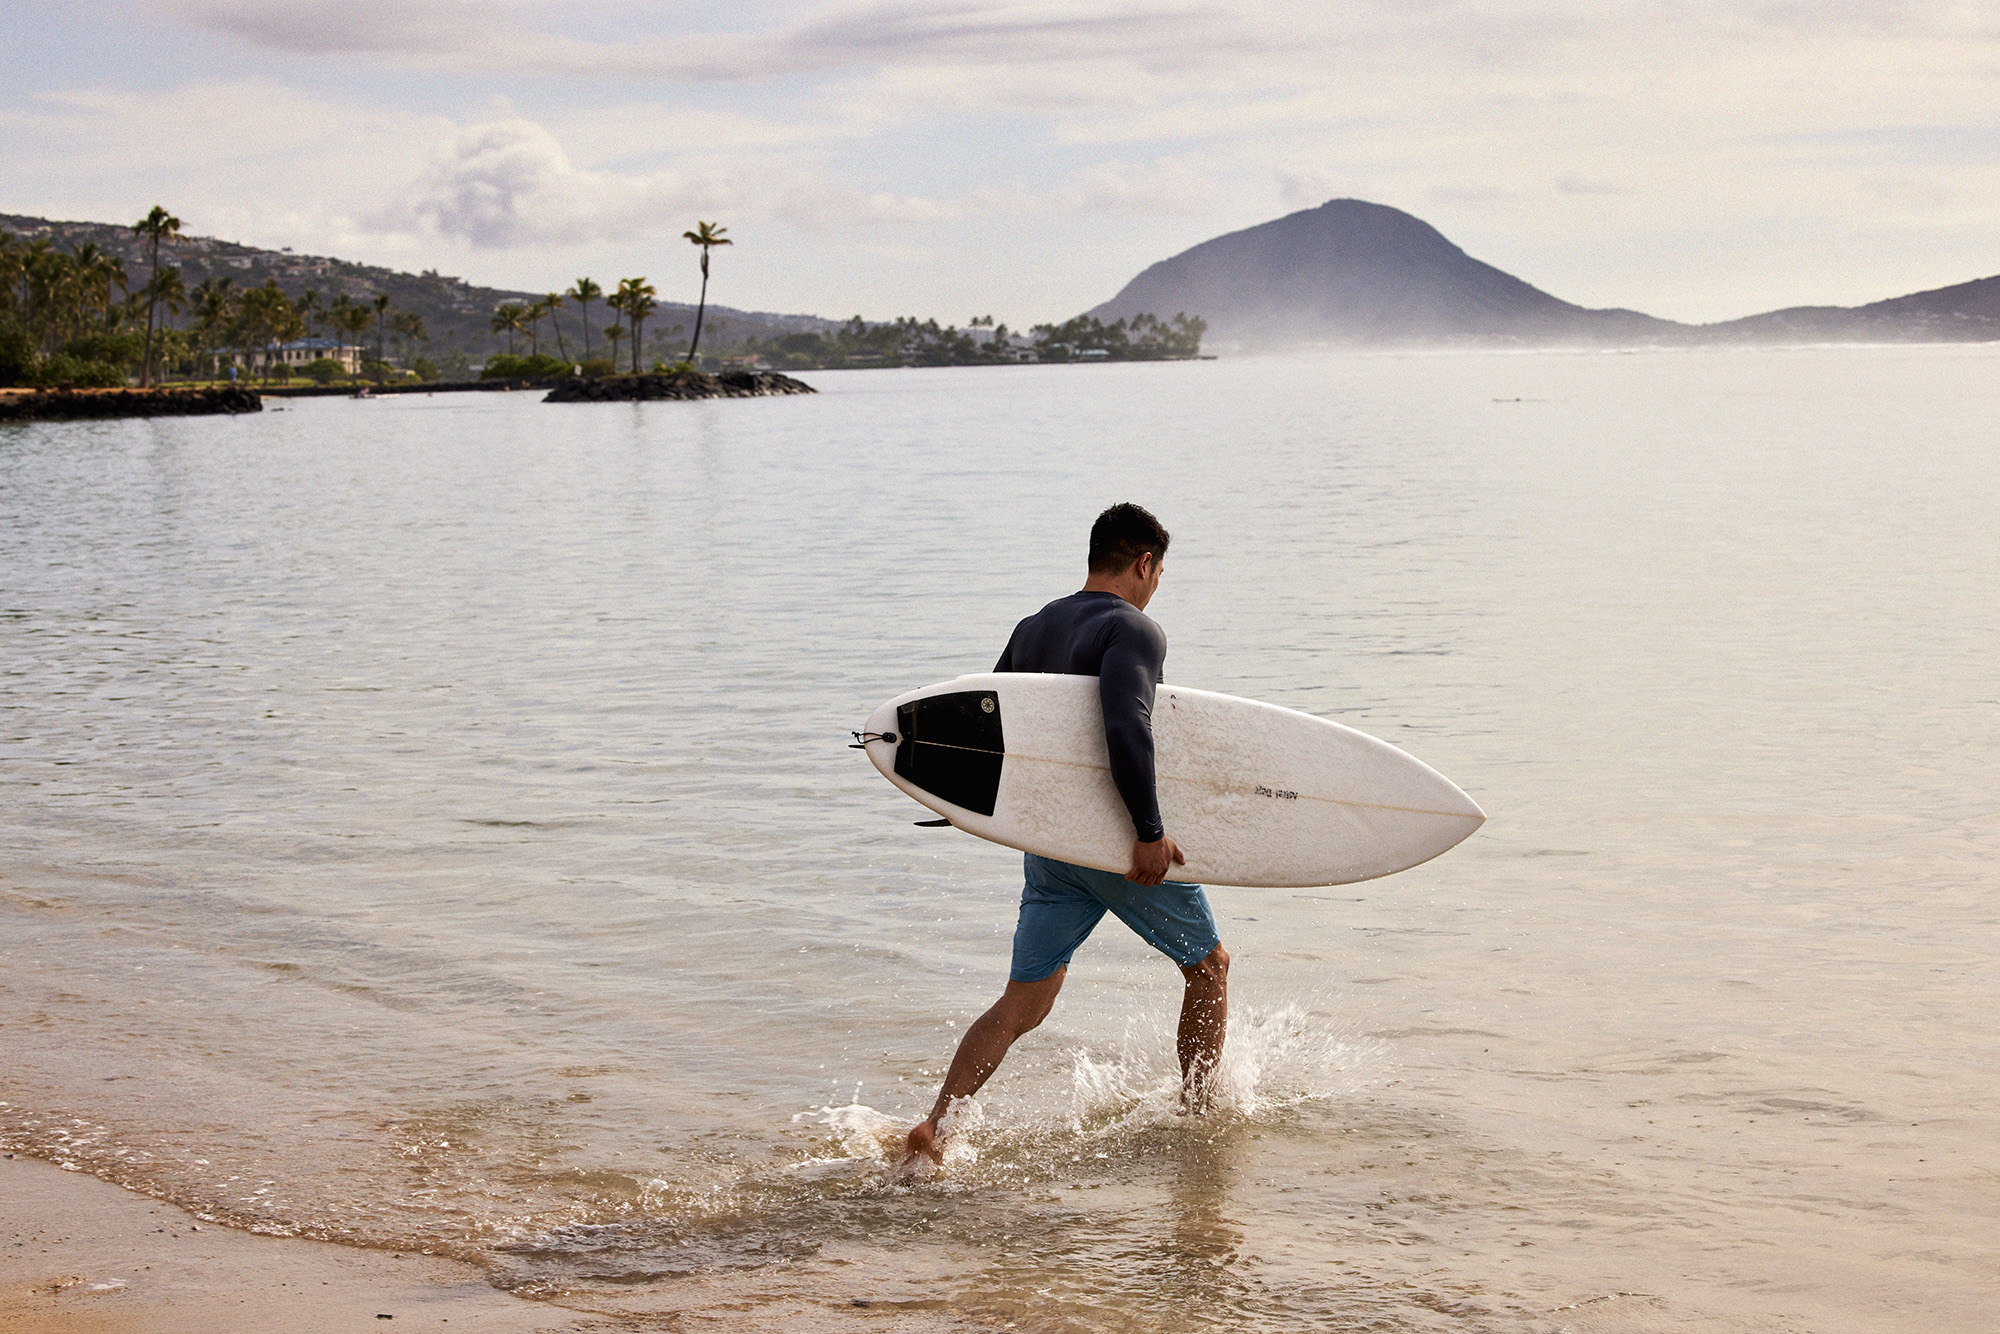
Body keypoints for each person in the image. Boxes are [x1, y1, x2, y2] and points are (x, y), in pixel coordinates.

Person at [905, 503, 1229, 1166]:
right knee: (1209, 968)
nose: (1156, 584)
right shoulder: (1134, 630)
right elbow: (1125, 726)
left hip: (1050, 846)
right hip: (1114, 839)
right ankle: (1200, 1120)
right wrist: (1148, 831)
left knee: (1024, 1001)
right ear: (1144, 562)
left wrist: (960, 807)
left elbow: (986, 729)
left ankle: (936, 1129)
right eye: (1159, 571)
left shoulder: (1032, 628)